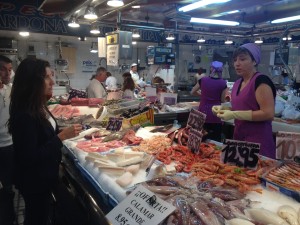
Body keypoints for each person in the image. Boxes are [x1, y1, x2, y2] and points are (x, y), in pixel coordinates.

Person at [8, 58, 82, 225]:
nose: (52, 81)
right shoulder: (24, 114)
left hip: (46, 176)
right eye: (47, 77)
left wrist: (63, 133)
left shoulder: (39, 105)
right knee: (36, 218)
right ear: (33, 81)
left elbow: (44, 135)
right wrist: (60, 138)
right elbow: (29, 157)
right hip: (34, 181)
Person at [214, 43, 276, 158]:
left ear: (254, 61)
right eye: (235, 60)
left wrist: (234, 114)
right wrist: (224, 108)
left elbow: (268, 113)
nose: (237, 63)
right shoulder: (237, 83)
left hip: (258, 143)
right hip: (238, 141)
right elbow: (240, 105)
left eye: (242, 59)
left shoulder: (261, 81)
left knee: (254, 175)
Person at [191, 61, 227, 142]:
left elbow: (192, 91)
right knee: (214, 141)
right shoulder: (223, 82)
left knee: (200, 139)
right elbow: (222, 100)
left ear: (211, 68)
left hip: (202, 113)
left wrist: (202, 96)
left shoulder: (203, 80)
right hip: (216, 114)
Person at [0, 55, 15, 225]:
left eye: (10, 70)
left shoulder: (10, 89)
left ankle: (8, 219)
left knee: (8, 188)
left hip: (10, 145)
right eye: (4, 69)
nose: (7, 73)